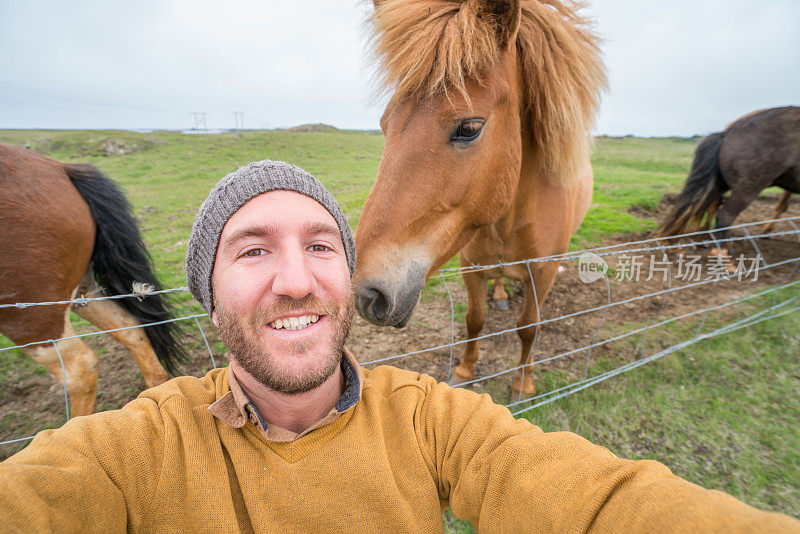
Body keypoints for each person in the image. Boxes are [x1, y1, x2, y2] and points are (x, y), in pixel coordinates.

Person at [0, 159, 797, 533]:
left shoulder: (428, 422)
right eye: (251, 250)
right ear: (208, 299)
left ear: (346, 279)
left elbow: (603, 505)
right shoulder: (137, 444)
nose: (295, 280)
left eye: (322, 246)